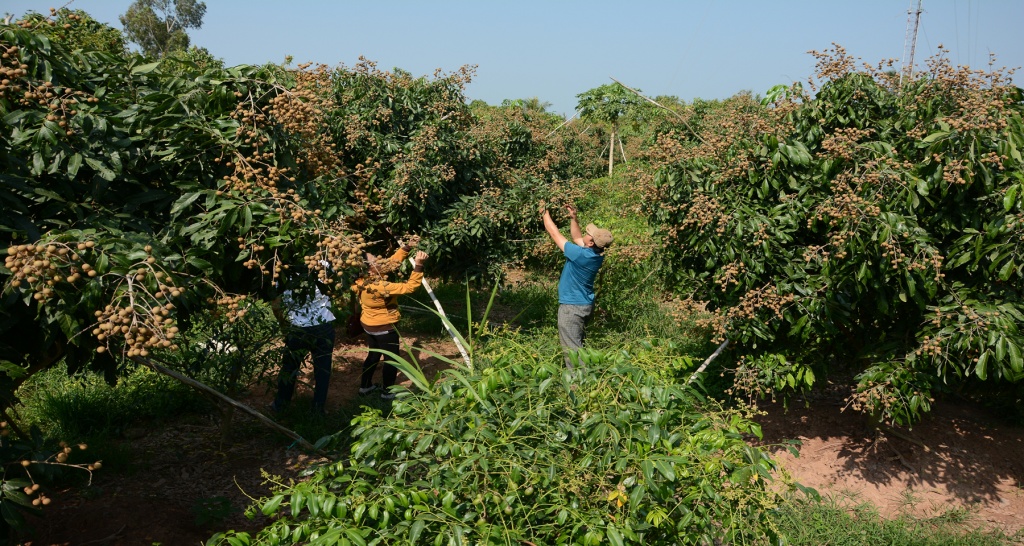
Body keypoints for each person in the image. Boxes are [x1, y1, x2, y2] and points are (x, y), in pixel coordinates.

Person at [351, 242, 428, 400]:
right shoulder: (380, 286)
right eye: (376, 261)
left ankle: (365, 386)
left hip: (369, 324)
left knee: (373, 355)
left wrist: (406, 248)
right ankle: (387, 392)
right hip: (384, 327)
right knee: (392, 359)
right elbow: (410, 287)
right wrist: (419, 265)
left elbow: (390, 263)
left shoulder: (360, 281)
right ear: (370, 269)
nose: (380, 261)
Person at [540, 203, 613, 368]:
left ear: (591, 243)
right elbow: (577, 238)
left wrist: (544, 211)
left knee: (572, 350)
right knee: (578, 345)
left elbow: (554, 233)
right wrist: (574, 218)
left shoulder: (580, 255)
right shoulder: (596, 254)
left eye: (589, 235)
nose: (586, 235)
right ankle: (584, 376)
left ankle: (578, 380)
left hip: (572, 308)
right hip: (585, 305)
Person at [270, 264, 337, 416]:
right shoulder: (323, 266)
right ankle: (318, 408)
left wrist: (283, 325)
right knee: (323, 370)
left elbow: (276, 305)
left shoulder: (282, 274)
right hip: (323, 327)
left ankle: (280, 404)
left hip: (297, 329)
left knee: (289, 367)